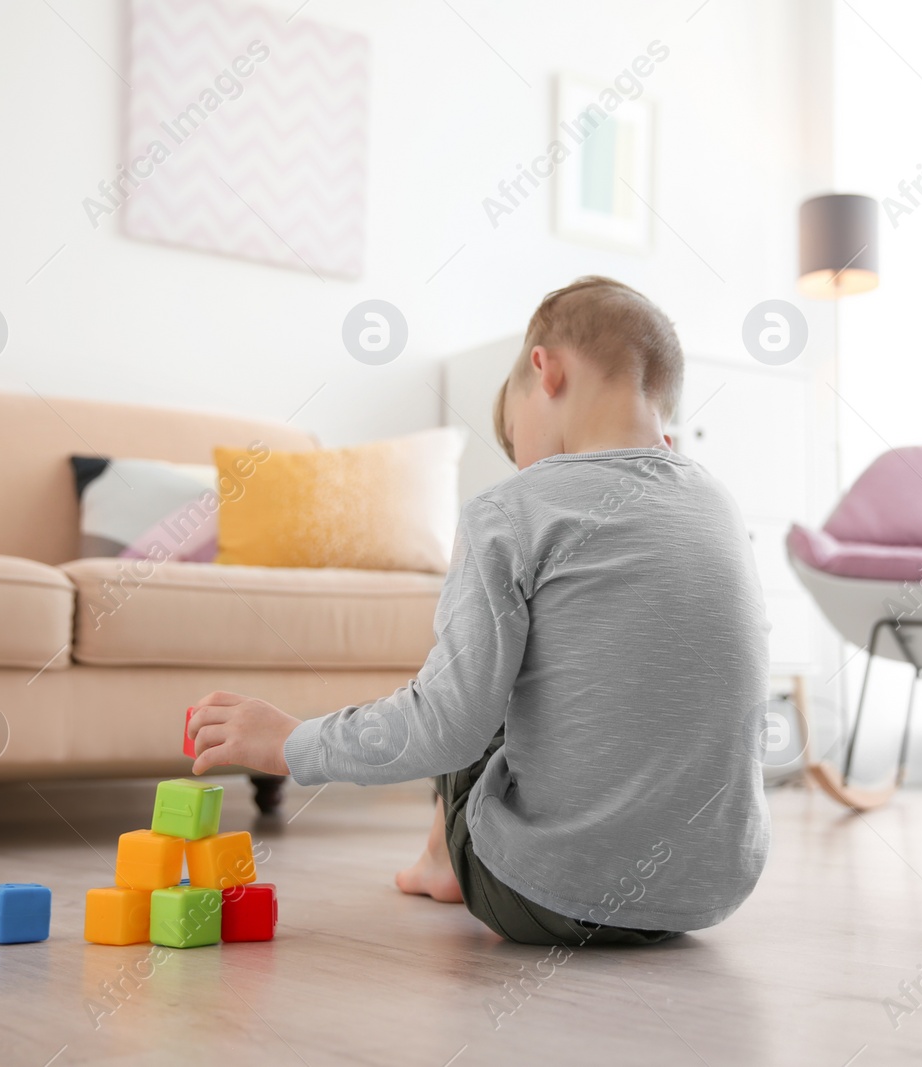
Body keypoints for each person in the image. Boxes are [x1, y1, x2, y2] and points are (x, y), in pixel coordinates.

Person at [188, 276, 770, 945]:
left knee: (470, 680)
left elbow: (445, 724)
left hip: (549, 897)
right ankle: (448, 855)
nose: (517, 457)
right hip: (707, 891)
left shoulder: (510, 510)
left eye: (511, 432)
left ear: (544, 370)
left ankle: (444, 859)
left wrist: (289, 742)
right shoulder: (719, 505)